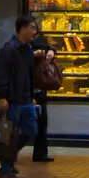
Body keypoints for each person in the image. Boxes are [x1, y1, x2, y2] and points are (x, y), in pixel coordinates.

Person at [0, 15, 40, 178]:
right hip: (12, 100)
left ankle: (10, 157)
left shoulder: (27, 50)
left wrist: (31, 96)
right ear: (22, 28)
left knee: (31, 131)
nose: (34, 31)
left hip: (25, 99)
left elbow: (28, 76)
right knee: (9, 135)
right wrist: (2, 97)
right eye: (32, 28)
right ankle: (5, 170)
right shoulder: (9, 50)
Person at [31, 32, 58, 163]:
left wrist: (51, 51)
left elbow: (50, 47)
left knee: (40, 123)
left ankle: (40, 153)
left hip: (37, 92)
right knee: (36, 124)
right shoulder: (24, 53)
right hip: (32, 92)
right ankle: (10, 153)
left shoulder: (33, 46)